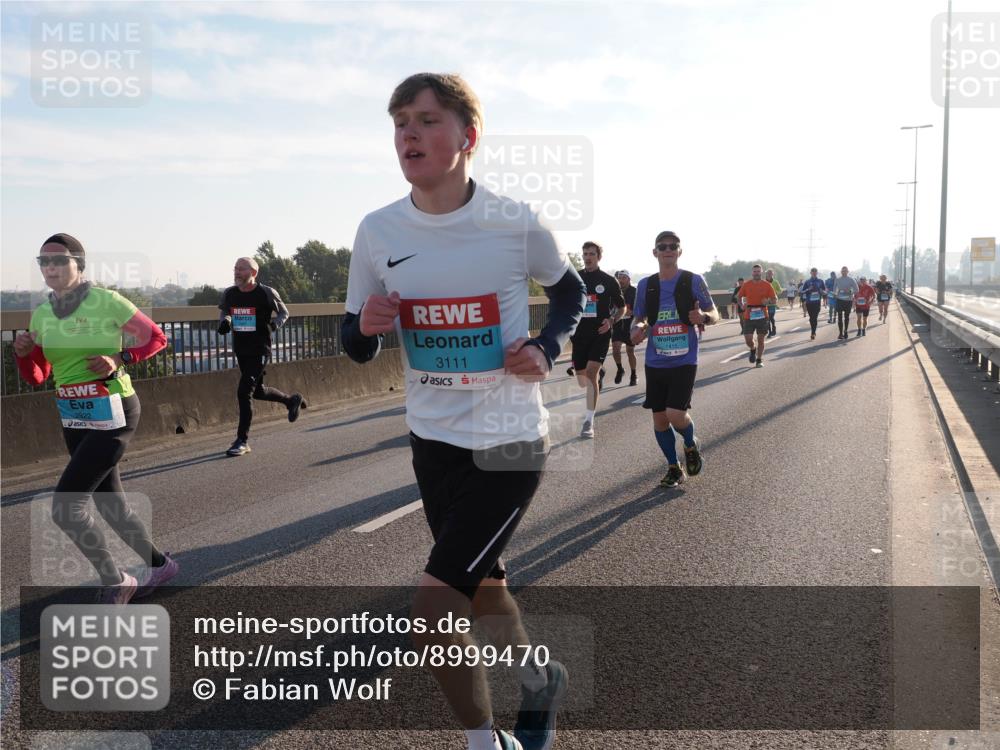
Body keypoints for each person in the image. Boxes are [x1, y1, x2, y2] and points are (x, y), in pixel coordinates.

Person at [341, 73, 582, 750]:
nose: (408, 135)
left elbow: (570, 293)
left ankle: (484, 742)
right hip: (432, 442)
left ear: (467, 137)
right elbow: (353, 343)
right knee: (480, 589)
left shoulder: (514, 222)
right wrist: (368, 325)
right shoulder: (377, 230)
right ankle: (542, 678)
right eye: (399, 123)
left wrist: (545, 343)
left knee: (432, 609)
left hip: (509, 439)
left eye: (425, 120)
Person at [14, 233, 178, 604]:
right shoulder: (41, 313)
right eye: (43, 262)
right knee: (110, 503)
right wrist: (24, 353)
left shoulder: (106, 301)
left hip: (114, 410)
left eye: (59, 260)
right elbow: (37, 376)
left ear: (79, 264)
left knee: (65, 507)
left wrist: (120, 360)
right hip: (74, 414)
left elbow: (155, 339)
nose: (50, 267)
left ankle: (116, 578)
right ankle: (161, 564)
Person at [630, 231, 717, 488]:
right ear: (655, 252)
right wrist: (638, 328)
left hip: (684, 359)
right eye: (662, 246)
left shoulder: (692, 280)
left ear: (680, 251)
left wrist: (704, 317)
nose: (668, 249)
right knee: (659, 420)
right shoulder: (646, 285)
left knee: (675, 414)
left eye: (673, 246)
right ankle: (673, 467)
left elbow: (714, 312)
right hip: (655, 360)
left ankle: (690, 444)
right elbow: (639, 317)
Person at [218, 257, 305, 457]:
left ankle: (242, 440)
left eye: (241, 269)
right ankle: (291, 400)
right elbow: (225, 312)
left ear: (253, 273)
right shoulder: (229, 294)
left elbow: (284, 312)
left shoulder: (266, 292)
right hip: (241, 349)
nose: (236, 272)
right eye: (235, 268)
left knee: (244, 392)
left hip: (260, 349)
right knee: (257, 391)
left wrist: (275, 325)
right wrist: (226, 321)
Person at [570, 241, 625, 438]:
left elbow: (621, 308)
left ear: (598, 257)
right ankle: (598, 374)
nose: (587, 257)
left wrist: (611, 321)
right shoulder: (574, 277)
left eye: (591, 253)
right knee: (583, 381)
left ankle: (588, 423)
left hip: (600, 334)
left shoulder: (609, 281)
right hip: (579, 335)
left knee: (591, 374)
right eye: (585, 253)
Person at [737, 265, 776, 368]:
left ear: (761, 272)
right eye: (755, 271)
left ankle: (759, 359)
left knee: (761, 339)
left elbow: (774, 299)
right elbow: (739, 296)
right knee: (748, 339)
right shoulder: (746, 284)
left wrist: (768, 301)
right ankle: (753, 349)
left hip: (762, 315)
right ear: (752, 273)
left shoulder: (767, 285)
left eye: (758, 271)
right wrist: (741, 305)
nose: (756, 273)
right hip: (749, 315)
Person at [610, 269, 638, 386]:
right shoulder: (614, 291)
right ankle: (620, 369)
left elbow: (640, 308)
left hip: (630, 324)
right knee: (615, 350)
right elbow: (609, 306)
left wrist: (632, 312)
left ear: (629, 279)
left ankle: (633, 374)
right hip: (617, 323)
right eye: (619, 278)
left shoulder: (635, 291)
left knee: (630, 351)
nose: (621, 280)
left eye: (623, 278)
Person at [799, 268, 827, 340]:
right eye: (813, 272)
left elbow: (825, 291)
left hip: (817, 302)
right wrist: (808, 289)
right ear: (810, 273)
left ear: (817, 273)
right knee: (811, 318)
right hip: (809, 302)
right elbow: (802, 291)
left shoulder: (820, 281)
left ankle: (813, 332)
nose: (814, 273)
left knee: (815, 317)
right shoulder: (807, 282)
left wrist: (822, 291)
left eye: (815, 272)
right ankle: (813, 331)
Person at [832, 266, 859, 340]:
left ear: (848, 271)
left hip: (848, 300)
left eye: (845, 271)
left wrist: (850, 291)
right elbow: (834, 289)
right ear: (841, 272)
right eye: (843, 271)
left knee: (846, 317)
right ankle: (840, 333)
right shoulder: (837, 279)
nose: (844, 272)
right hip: (840, 299)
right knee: (840, 317)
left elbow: (857, 290)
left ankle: (845, 331)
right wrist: (835, 294)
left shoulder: (851, 279)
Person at [764, 269, 782, 337]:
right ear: (766, 274)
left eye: (770, 273)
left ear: (772, 274)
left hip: (773, 302)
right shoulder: (763, 282)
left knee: (771, 317)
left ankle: (773, 327)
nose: (769, 274)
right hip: (765, 302)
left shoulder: (775, 282)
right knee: (767, 318)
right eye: (768, 273)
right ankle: (769, 332)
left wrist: (775, 292)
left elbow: (780, 290)